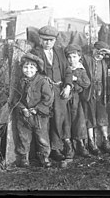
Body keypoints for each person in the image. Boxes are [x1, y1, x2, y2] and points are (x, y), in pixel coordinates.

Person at [29, 26, 73, 161]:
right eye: (45, 40)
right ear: (40, 39)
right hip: (43, 93)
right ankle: (46, 150)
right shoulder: (35, 53)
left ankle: (57, 148)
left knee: (59, 118)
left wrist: (68, 86)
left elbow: (67, 71)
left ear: (55, 40)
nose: (48, 43)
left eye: (51, 40)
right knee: (45, 119)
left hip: (59, 91)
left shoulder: (59, 52)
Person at [12, 53, 54, 167]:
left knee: (42, 138)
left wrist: (37, 109)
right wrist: (22, 108)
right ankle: (24, 157)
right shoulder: (20, 82)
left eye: (31, 67)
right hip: (24, 115)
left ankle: (44, 157)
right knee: (23, 136)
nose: (28, 70)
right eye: (25, 67)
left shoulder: (42, 81)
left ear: (37, 69)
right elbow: (16, 98)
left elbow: (48, 98)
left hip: (39, 116)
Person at [81, 41, 110, 155]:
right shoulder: (86, 59)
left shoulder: (105, 62)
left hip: (101, 91)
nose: (100, 55)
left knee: (103, 116)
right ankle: (91, 142)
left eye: (103, 53)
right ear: (93, 49)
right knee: (90, 116)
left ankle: (105, 140)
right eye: (98, 52)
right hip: (89, 91)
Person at [64, 44, 91, 158]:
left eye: (74, 57)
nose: (72, 60)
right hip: (65, 99)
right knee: (65, 121)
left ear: (79, 57)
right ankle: (68, 146)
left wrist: (76, 79)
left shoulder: (80, 69)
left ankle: (80, 144)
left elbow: (86, 83)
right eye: (69, 57)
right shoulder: (65, 68)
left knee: (78, 121)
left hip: (76, 98)